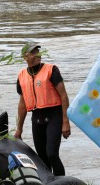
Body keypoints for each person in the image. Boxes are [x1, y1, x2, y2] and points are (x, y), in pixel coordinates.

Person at [14, 42, 71, 176]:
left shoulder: (51, 70)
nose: (37, 55)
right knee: (42, 158)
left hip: (54, 116)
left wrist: (66, 122)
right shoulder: (21, 76)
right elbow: (22, 104)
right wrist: (19, 129)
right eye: (32, 53)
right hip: (37, 119)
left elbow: (63, 96)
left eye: (37, 52)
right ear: (25, 57)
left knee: (52, 154)